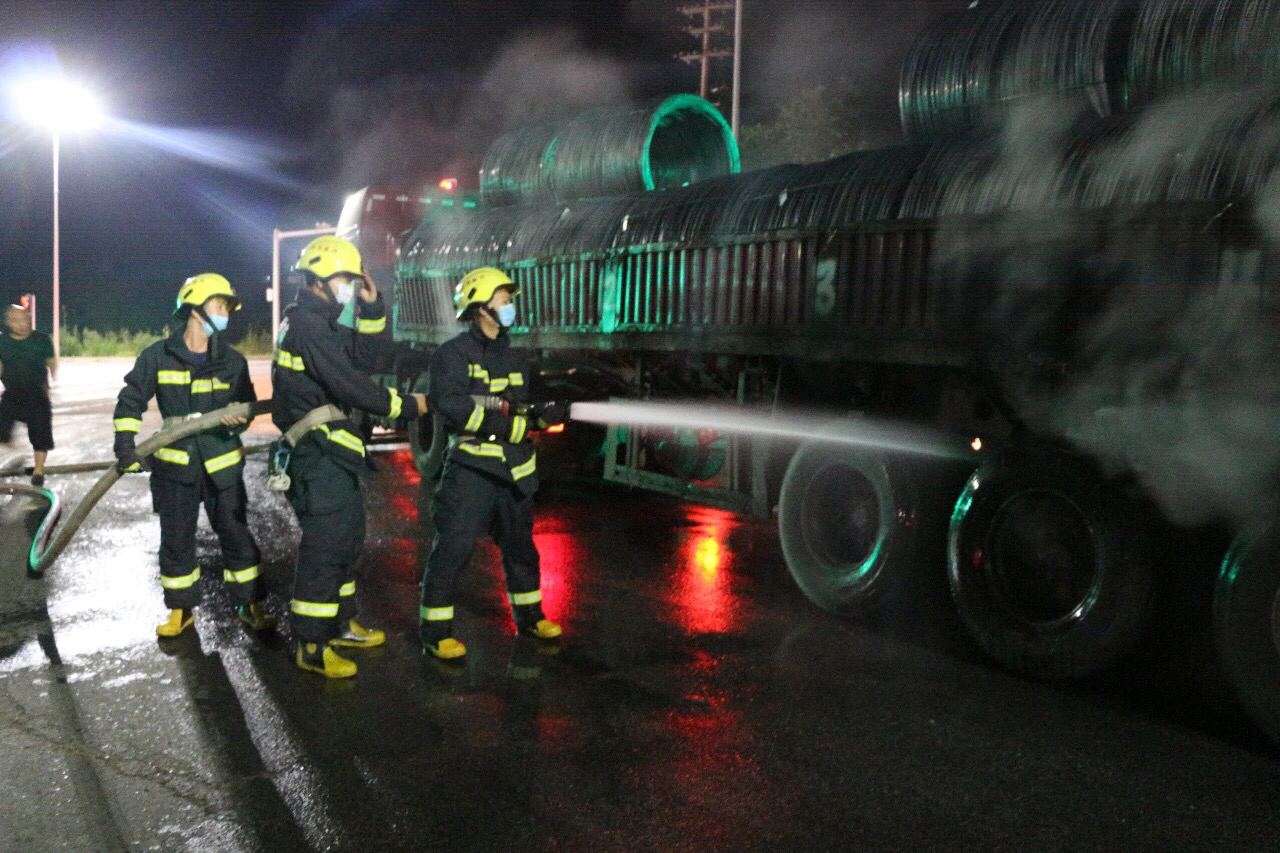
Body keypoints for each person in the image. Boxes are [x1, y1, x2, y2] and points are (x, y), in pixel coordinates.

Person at [272, 235, 426, 678]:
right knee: (326, 547)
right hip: (314, 456)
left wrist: (373, 309)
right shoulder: (305, 326)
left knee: (346, 536)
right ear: (319, 279)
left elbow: (365, 354)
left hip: (331, 454)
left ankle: (339, 624)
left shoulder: (316, 321)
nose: (348, 287)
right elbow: (350, 383)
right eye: (344, 279)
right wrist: (405, 406)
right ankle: (311, 644)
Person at [418, 266, 566, 660]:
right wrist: (508, 426)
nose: (510, 306)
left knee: (521, 548)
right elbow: (451, 406)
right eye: (503, 300)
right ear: (480, 307)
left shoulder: (515, 355)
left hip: (514, 469)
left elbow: (523, 405)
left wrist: (544, 412)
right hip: (472, 469)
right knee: (453, 548)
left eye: (509, 300)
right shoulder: (450, 356)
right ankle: (436, 632)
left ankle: (531, 617)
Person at [112, 274, 270, 637]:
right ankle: (181, 611)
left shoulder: (232, 361)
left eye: (228, 308)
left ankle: (250, 603)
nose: (226, 314)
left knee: (236, 535)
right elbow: (131, 399)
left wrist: (235, 419)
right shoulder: (157, 356)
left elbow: (247, 407)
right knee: (177, 539)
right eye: (220, 306)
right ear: (195, 310)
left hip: (222, 466)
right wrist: (125, 443)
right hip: (175, 467)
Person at [0, 303, 57, 486]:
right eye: (16, 320)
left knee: (40, 434)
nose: (22, 324)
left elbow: (51, 361)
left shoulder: (41, 339)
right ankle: (6, 440)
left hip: (37, 394)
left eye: (25, 319)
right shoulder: (3, 342)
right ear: (9, 322)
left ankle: (38, 471)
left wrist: (53, 381)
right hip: (12, 394)